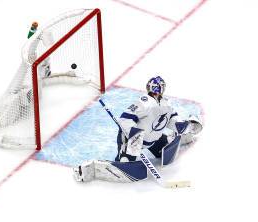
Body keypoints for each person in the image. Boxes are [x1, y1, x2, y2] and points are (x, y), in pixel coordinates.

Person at [73, 76, 202, 183]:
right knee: (125, 164)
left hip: (152, 140)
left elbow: (171, 121)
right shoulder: (143, 102)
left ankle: (185, 137)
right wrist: (135, 135)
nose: (156, 92)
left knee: (164, 149)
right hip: (132, 140)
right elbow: (125, 120)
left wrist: (184, 126)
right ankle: (92, 169)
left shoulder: (166, 104)